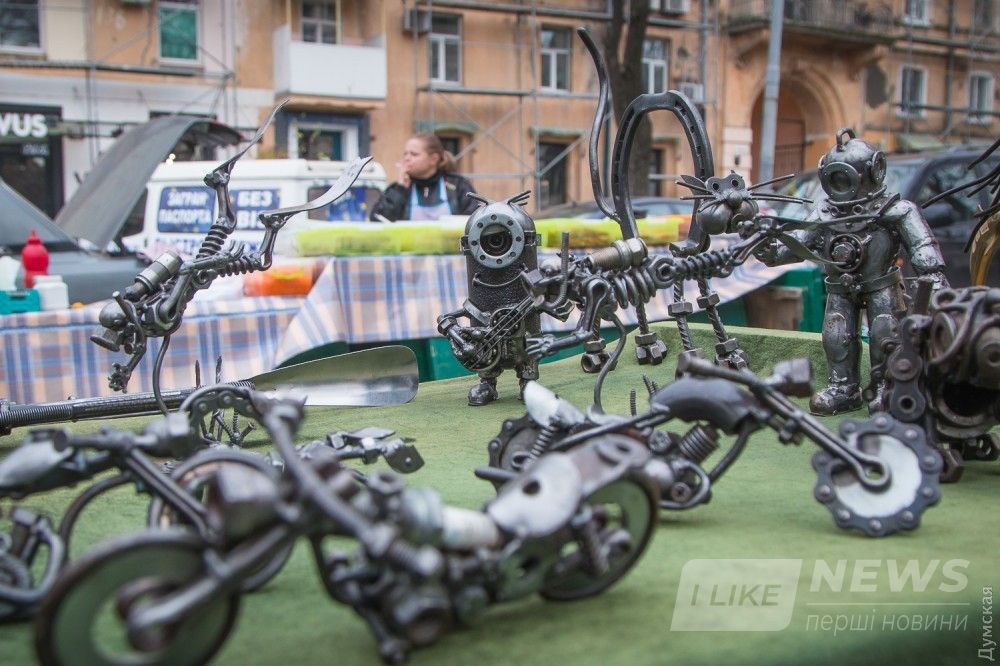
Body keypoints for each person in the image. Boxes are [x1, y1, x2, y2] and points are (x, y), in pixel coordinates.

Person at [369, 134, 479, 222]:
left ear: (433, 159)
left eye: (414, 154)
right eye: (405, 154)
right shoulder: (398, 189)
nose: (407, 158)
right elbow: (377, 221)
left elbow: (476, 222)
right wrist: (400, 189)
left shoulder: (458, 186)